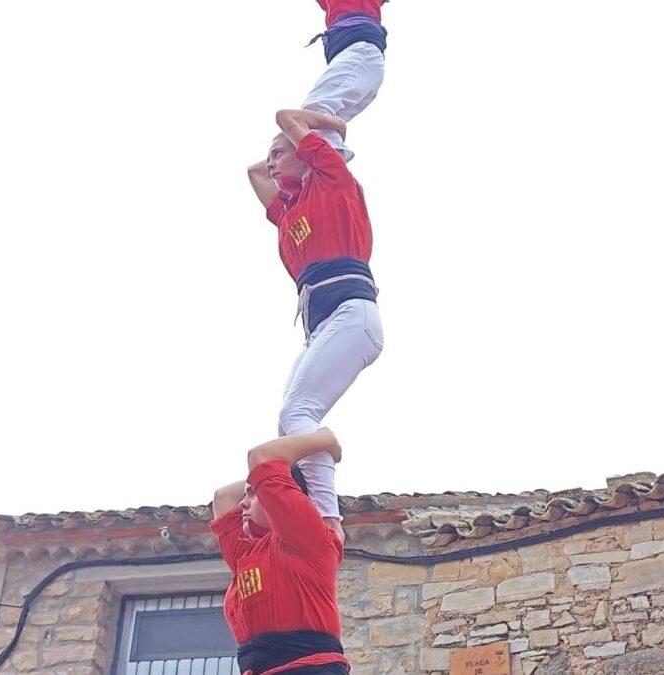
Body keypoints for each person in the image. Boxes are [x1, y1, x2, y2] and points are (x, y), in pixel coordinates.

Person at [246, 108, 383, 544]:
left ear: (308, 154)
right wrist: (280, 156)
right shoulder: (291, 211)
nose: (270, 161)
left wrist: (328, 125)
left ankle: (328, 516)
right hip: (326, 326)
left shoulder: (332, 179)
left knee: (296, 412)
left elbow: (285, 116)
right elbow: (253, 172)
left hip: (352, 314)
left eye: (279, 152)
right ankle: (310, 506)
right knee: (289, 424)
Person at [210, 428, 348, 675]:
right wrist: (262, 480)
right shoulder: (248, 554)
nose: (242, 503)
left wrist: (322, 441)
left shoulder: (307, 537)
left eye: (252, 494)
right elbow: (222, 498)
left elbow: (261, 456)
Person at [303, 0, 389, 162]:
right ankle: (324, 168)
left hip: (360, 50)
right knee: (321, 121)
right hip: (358, 54)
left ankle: (328, 166)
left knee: (314, 112)